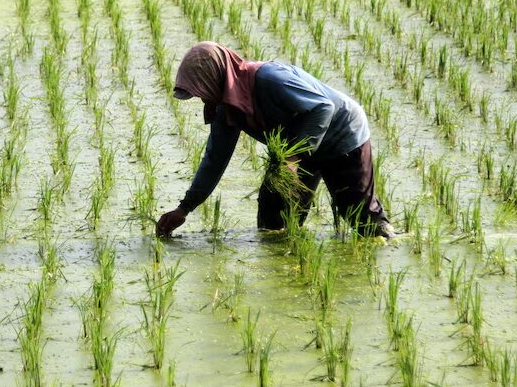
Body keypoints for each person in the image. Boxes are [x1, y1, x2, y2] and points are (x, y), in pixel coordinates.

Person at [155, 41, 394, 239]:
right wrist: (184, 208)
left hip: (341, 134)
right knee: (273, 215)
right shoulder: (225, 109)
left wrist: (291, 157)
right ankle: (286, 266)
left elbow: (323, 108)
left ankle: (387, 240)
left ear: (214, 78)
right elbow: (214, 160)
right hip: (297, 146)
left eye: (201, 91)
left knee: (360, 216)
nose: (202, 98)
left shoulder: (269, 79)